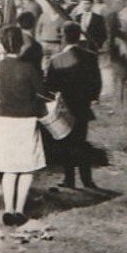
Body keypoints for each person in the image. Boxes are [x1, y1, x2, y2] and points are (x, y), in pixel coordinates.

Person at [0, 25, 47, 225]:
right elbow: (42, 93)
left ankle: (8, 209)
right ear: (21, 43)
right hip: (26, 119)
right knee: (26, 167)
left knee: (9, 167)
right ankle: (19, 210)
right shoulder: (28, 67)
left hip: (5, 119)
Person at [45, 22, 103, 191]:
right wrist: (92, 98)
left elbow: (50, 86)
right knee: (82, 142)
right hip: (83, 106)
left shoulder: (56, 60)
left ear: (64, 36)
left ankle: (69, 179)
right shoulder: (91, 56)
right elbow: (97, 83)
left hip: (65, 107)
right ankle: (87, 180)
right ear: (79, 36)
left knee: (66, 143)